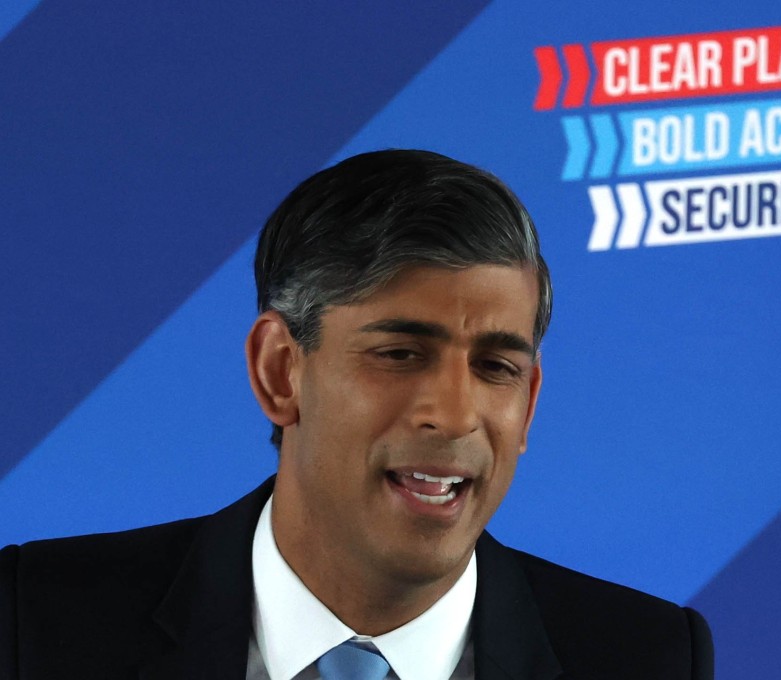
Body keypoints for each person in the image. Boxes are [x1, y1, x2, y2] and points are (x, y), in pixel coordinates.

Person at [0, 150, 713, 679]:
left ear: (527, 407)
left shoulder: (646, 659)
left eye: (496, 367)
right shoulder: (36, 624)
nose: (456, 415)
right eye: (401, 354)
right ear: (280, 371)